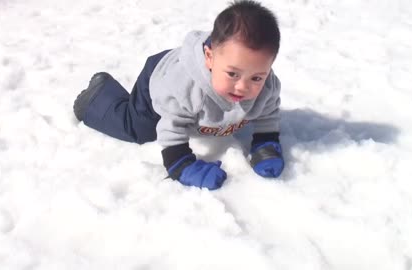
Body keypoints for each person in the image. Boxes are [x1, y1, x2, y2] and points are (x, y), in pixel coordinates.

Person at [73, 0, 284, 190]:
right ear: (209, 57)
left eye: (256, 77)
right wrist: (181, 164)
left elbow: (268, 112)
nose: (242, 87)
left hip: (195, 74)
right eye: (232, 74)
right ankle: (96, 98)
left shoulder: (266, 86)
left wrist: (266, 142)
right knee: (140, 129)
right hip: (159, 77)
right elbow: (171, 127)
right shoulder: (184, 88)